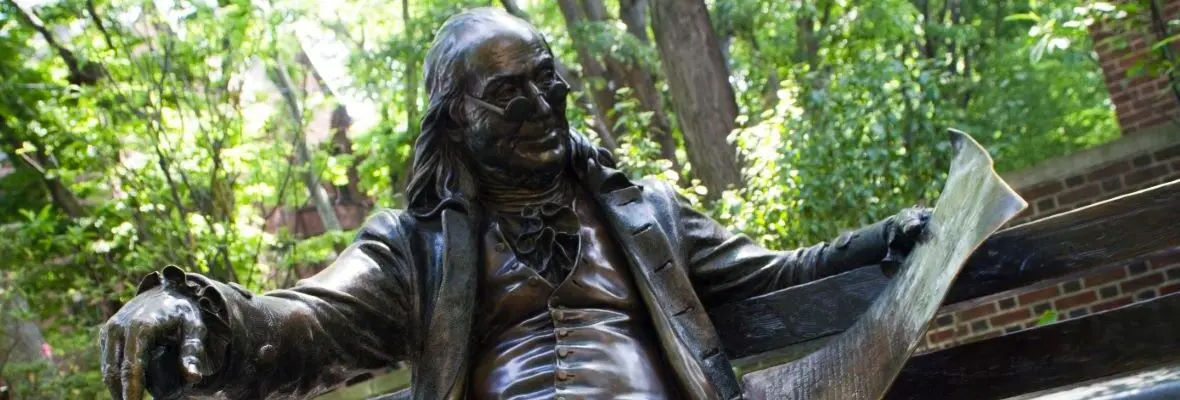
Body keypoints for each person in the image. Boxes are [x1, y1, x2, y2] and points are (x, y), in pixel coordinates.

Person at [99, 7, 930, 400]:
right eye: (509, 93)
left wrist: (884, 241)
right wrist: (197, 309)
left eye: (549, 79)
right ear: (454, 119)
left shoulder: (647, 215)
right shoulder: (414, 247)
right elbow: (306, 322)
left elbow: (776, 276)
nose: (543, 105)